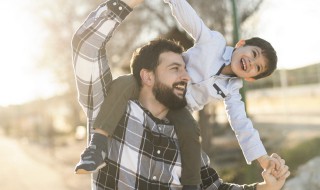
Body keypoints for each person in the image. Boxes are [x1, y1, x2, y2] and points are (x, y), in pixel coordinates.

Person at [72, 0, 290, 189]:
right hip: (131, 96)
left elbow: (241, 124)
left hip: (182, 109)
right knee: (124, 82)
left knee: (191, 131)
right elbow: (190, 19)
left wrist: (263, 163)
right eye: (253, 54)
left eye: (257, 67)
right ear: (241, 44)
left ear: (251, 78)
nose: (251, 62)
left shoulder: (232, 91)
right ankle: (98, 144)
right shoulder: (213, 42)